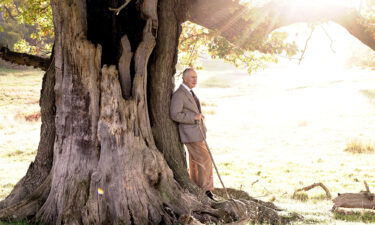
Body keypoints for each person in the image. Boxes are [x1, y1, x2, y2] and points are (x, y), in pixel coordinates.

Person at [170, 68, 215, 200]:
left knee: (195, 162)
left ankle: (197, 187)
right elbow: (174, 114)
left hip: (197, 133)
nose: (195, 80)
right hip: (190, 134)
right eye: (192, 77)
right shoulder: (179, 94)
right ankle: (206, 191)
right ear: (184, 78)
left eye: (196, 77)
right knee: (205, 159)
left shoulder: (190, 92)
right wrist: (193, 117)